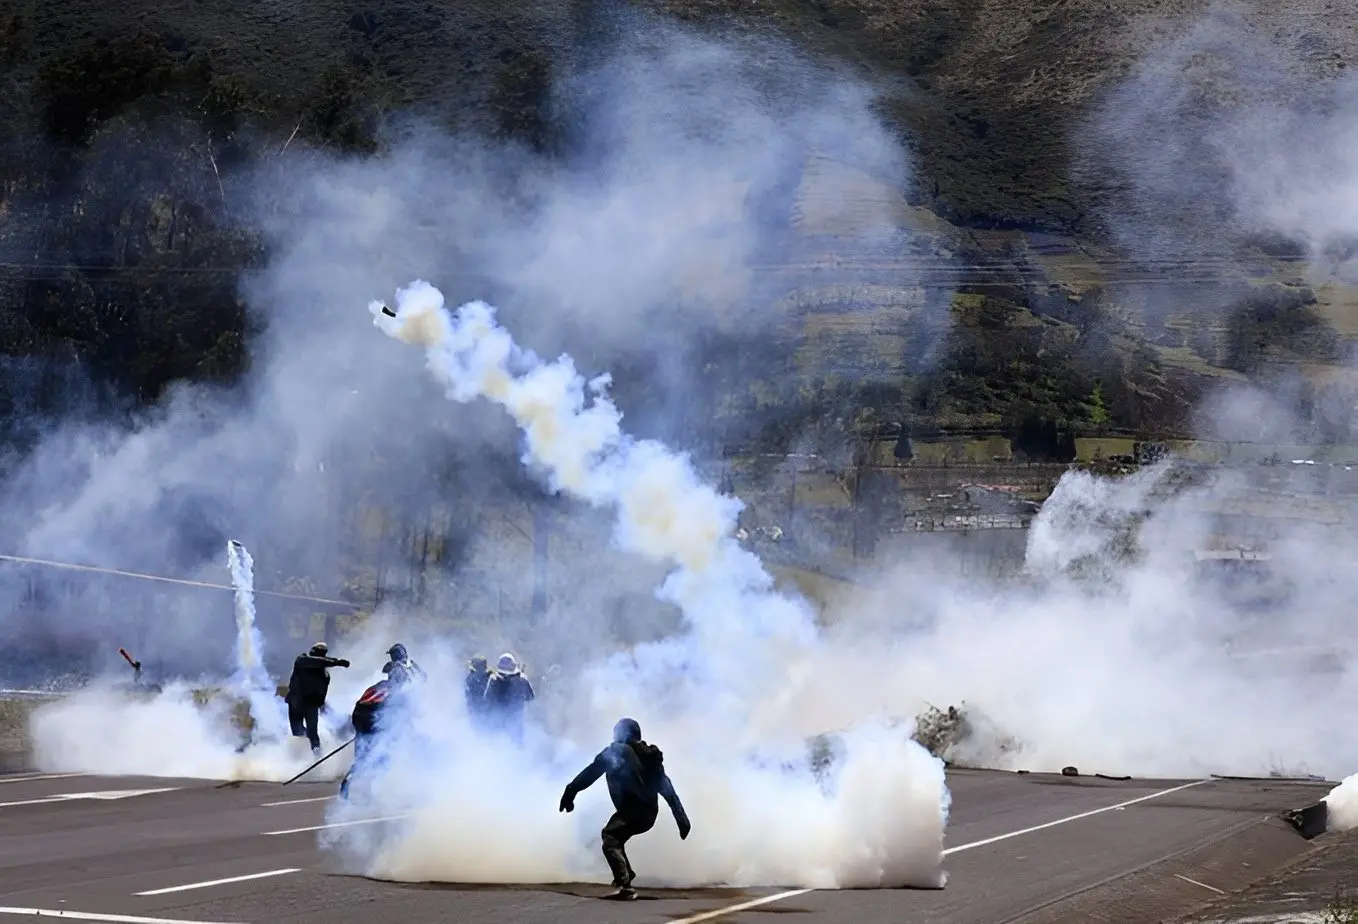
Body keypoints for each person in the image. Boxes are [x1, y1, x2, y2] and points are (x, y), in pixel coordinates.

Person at [559, 717, 690, 900]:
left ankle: (625, 884)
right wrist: (682, 819)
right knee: (618, 837)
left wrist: (571, 790)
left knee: (611, 836)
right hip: (650, 813)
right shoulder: (650, 757)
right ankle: (627, 872)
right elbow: (667, 788)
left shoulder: (617, 751)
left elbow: (592, 772)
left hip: (633, 810)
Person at [339, 665, 411, 800]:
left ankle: (348, 782)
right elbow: (400, 713)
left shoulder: (375, 687)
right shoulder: (396, 692)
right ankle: (370, 791)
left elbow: (360, 704)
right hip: (374, 724)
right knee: (382, 756)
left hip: (360, 720)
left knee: (361, 757)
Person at [284, 641, 350, 753]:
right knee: (297, 731)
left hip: (311, 705)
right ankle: (305, 750)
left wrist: (321, 704)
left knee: (312, 733)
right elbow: (315, 662)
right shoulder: (302, 660)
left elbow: (322, 691)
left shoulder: (324, 674)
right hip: (296, 702)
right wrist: (336, 662)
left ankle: (317, 754)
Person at [482, 652, 534, 742]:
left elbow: (486, 699)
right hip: (515, 723)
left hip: (496, 722)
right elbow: (530, 697)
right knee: (515, 747)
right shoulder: (521, 680)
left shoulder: (493, 679)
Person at [464, 655, 491, 725]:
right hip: (487, 710)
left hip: (477, 711)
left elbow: (468, 696)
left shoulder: (470, 678)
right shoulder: (491, 677)